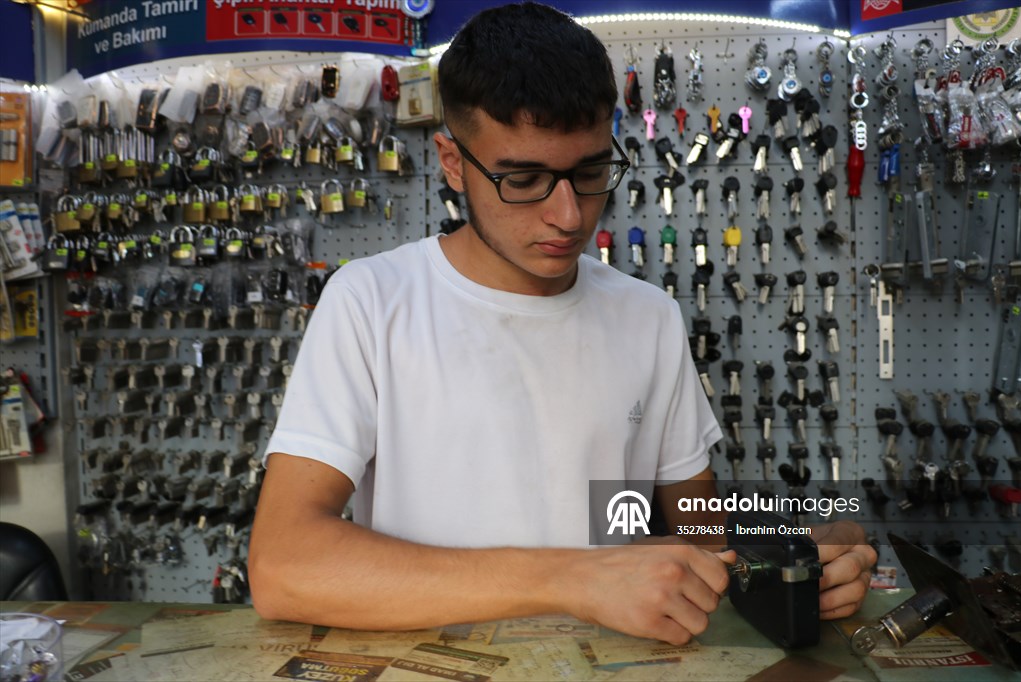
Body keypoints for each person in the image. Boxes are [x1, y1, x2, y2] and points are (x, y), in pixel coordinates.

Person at [249, 2, 875, 646]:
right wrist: (572, 579)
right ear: (454, 161)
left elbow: (698, 536)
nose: (569, 216)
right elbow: (284, 567)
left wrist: (796, 552)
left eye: (590, 172)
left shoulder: (648, 317)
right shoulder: (370, 302)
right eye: (523, 178)